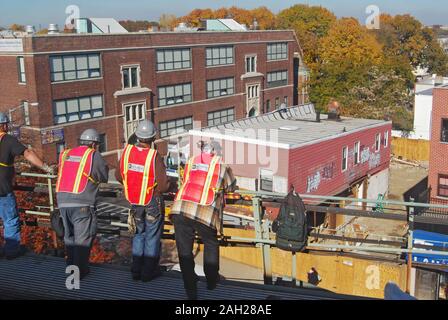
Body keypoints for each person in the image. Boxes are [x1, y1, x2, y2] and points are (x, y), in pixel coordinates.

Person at [170, 140, 236, 300]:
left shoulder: (191, 161)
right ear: (216, 153)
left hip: (181, 209)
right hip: (204, 212)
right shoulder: (222, 165)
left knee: (184, 252)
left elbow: (186, 179)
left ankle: (190, 289)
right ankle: (212, 281)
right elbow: (231, 186)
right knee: (211, 243)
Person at [116, 120, 170, 282]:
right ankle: (148, 273)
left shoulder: (127, 152)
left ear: (137, 136)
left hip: (135, 201)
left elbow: (120, 176)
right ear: (153, 137)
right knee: (152, 235)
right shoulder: (154, 156)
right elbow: (162, 185)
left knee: (139, 234)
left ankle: (136, 270)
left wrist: (134, 184)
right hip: (152, 200)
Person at [56, 128, 109, 279]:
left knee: (69, 238)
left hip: (62, 202)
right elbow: (103, 176)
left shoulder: (66, 153)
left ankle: (71, 269)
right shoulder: (93, 155)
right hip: (82, 203)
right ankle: (78, 274)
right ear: (93, 144)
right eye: (97, 145)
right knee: (82, 240)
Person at [0, 112, 53, 259]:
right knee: (10, 219)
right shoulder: (8, 140)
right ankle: (11, 251)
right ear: (4, 125)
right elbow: (27, 153)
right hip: (2, 189)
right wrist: (45, 167)